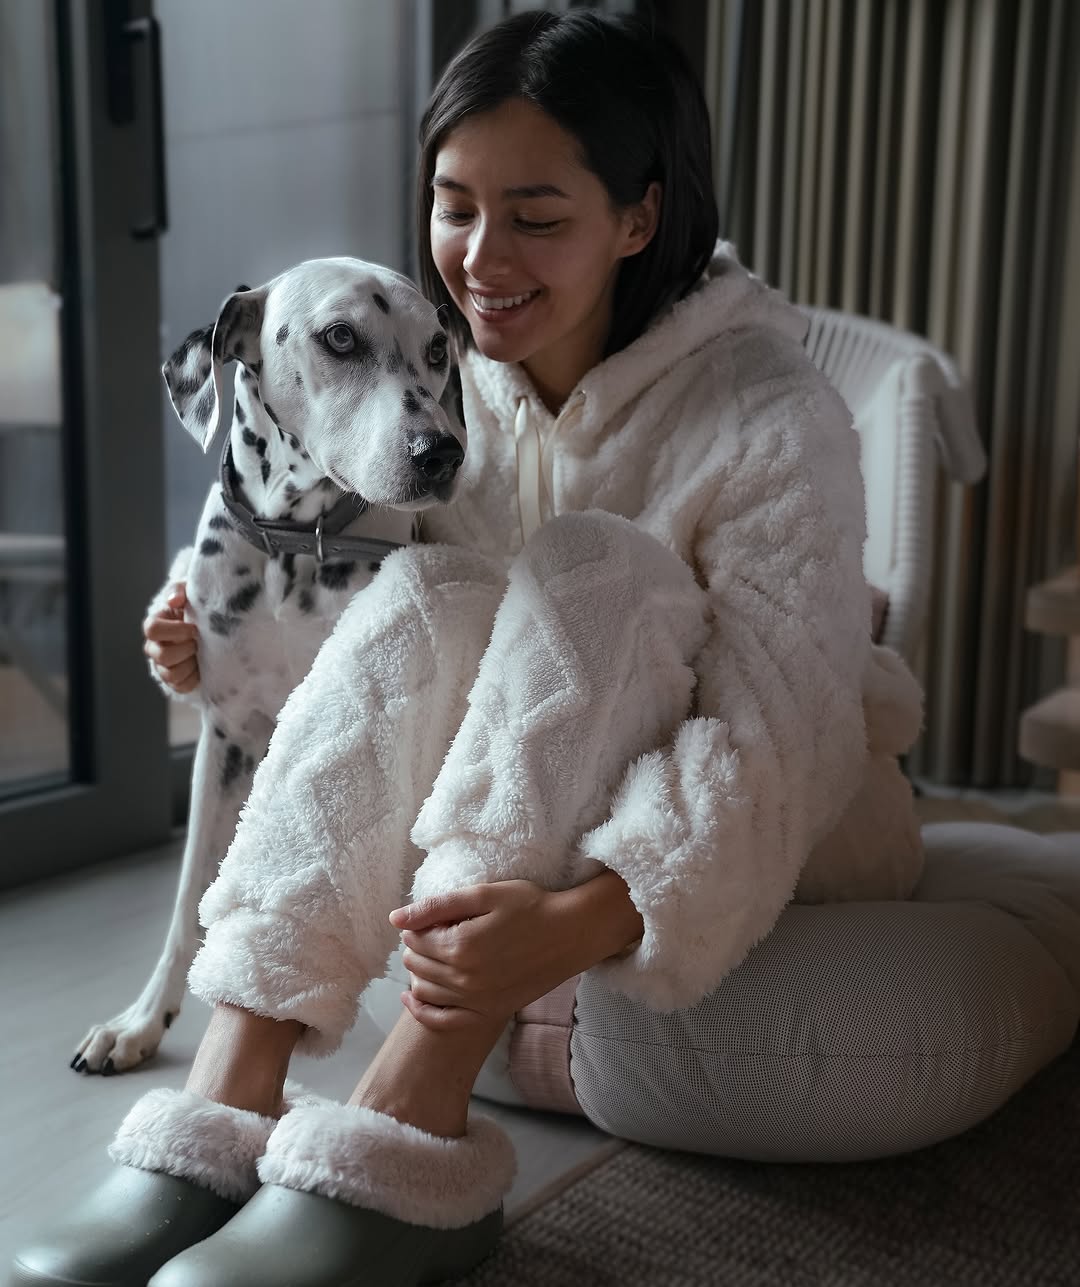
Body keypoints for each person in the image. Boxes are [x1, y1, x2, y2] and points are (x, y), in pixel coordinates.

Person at [14, 9, 1078, 1287]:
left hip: (774, 836)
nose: (479, 258)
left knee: (589, 567)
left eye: (534, 215)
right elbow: (389, 653)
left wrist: (582, 920)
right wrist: (210, 639)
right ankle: (220, 1111)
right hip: (508, 844)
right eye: (454, 206)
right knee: (429, 590)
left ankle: (409, 1129)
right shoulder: (447, 389)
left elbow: (784, 739)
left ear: (637, 216)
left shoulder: (770, 411)